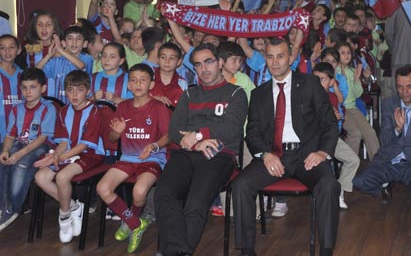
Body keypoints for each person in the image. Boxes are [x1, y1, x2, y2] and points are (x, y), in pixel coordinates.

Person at [232, 37, 340, 256]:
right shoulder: (259, 93)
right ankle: (247, 250)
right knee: (240, 185)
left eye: (280, 56)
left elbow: (329, 123)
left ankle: (326, 250)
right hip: (274, 155)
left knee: (329, 185)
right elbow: (252, 132)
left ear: (290, 58)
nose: (275, 62)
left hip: (306, 155)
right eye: (270, 57)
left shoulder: (310, 84)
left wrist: (322, 152)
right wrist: (265, 155)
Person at [154, 43, 247, 256]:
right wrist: (198, 143)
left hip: (220, 156)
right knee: (164, 193)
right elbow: (174, 131)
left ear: (220, 62)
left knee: (195, 203)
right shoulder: (189, 94)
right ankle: (178, 251)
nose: (203, 68)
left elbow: (231, 129)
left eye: (208, 62)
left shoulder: (236, 93)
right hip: (188, 153)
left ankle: (174, 252)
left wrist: (198, 134)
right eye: (198, 64)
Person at [96, 64, 170, 253]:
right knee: (102, 188)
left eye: (143, 80)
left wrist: (153, 146)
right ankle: (135, 224)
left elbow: (169, 136)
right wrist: (117, 131)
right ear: (128, 85)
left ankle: (130, 222)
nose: (138, 84)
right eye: (134, 80)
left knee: (139, 191)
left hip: (152, 159)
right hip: (127, 158)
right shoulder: (123, 107)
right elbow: (112, 138)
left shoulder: (158, 107)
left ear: (151, 84)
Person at [33, 70, 105, 244]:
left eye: (79, 90)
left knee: (62, 177)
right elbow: (64, 141)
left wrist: (60, 158)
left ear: (88, 91)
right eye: (70, 90)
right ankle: (74, 206)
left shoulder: (94, 111)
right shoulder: (64, 111)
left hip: (90, 154)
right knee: (40, 177)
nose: (74, 94)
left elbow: (84, 145)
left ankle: (64, 216)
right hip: (68, 154)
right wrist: (55, 156)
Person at [352, 65, 411, 206]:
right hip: (388, 160)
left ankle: (410, 189)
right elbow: (384, 140)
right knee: (359, 182)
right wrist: (397, 129)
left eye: (409, 87)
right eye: (400, 87)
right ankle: (385, 185)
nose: (404, 92)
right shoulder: (388, 104)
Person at [0, 68, 56, 231]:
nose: (28, 91)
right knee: (3, 161)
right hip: (21, 143)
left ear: (43, 88)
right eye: (24, 87)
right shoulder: (16, 109)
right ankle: (3, 206)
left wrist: (19, 154)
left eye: (33, 87)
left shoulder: (48, 108)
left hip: (42, 146)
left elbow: (42, 139)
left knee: (21, 165)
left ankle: (13, 208)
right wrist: (5, 150)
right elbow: (10, 135)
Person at [313, 61, 360, 209]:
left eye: (322, 79)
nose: (318, 83)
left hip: (330, 138)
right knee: (323, 165)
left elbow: (337, 120)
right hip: (313, 140)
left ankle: (339, 190)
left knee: (353, 160)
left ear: (331, 82)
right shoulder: (307, 96)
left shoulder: (333, 98)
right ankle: (324, 195)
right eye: (316, 79)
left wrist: (335, 117)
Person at [37, 25, 94, 105]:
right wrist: (48, 56)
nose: (74, 42)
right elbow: (36, 72)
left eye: (78, 39)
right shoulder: (57, 61)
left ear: (85, 44)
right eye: (70, 38)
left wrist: (61, 50)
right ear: (64, 43)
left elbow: (81, 65)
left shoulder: (87, 58)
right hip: (61, 106)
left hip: (81, 106)